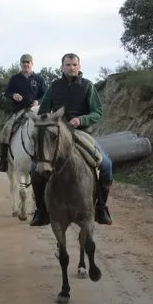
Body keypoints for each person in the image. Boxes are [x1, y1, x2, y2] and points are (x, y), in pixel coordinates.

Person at [29, 52, 113, 226]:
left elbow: (97, 112)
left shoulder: (88, 86)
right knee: (34, 169)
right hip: (57, 135)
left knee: (106, 165)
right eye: (68, 65)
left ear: (79, 67)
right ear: (62, 67)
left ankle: (101, 207)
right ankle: (41, 210)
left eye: (74, 65)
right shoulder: (54, 86)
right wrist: (49, 122)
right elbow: (43, 111)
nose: (71, 68)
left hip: (81, 133)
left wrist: (81, 120)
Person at [0, 53, 49, 172]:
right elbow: (7, 92)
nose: (26, 64)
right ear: (20, 64)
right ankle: (3, 162)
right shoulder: (15, 78)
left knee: (48, 130)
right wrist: (13, 95)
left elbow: (45, 95)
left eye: (28, 62)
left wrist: (38, 101)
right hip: (19, 111)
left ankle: (49, 160)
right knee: (6, 130)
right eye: (23, 62)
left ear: (32, 64)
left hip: (35, 111)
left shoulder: (39, 79)